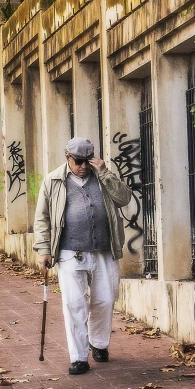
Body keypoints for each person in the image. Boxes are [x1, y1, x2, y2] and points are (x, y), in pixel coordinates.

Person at [33, 137, 133, 375]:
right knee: (74, 304)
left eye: (87, 161)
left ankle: (98, 344)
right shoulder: (53, 181)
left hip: (104, 250)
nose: (83, 166)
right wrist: (44, 249)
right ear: (67, 158)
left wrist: (105, 173)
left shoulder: (102, 176)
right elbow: (42, 218)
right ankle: (78, 357)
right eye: (78, 161)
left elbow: (124, 198)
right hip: (70, 252)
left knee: (105, 300)